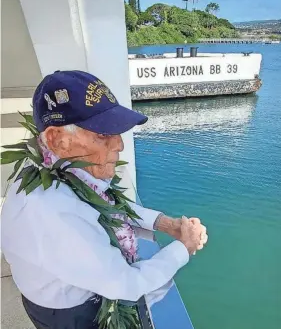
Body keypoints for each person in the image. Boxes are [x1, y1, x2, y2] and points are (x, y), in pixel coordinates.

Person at [1, 70, 208, 329]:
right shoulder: (53, 213)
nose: (119, 145)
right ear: (58, 139)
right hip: (68, 313)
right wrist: (184, 247)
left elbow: (103, 201)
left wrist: (165, 224)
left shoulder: (57, 167)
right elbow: (126, 284)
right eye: (102, 134)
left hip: (54, 289)